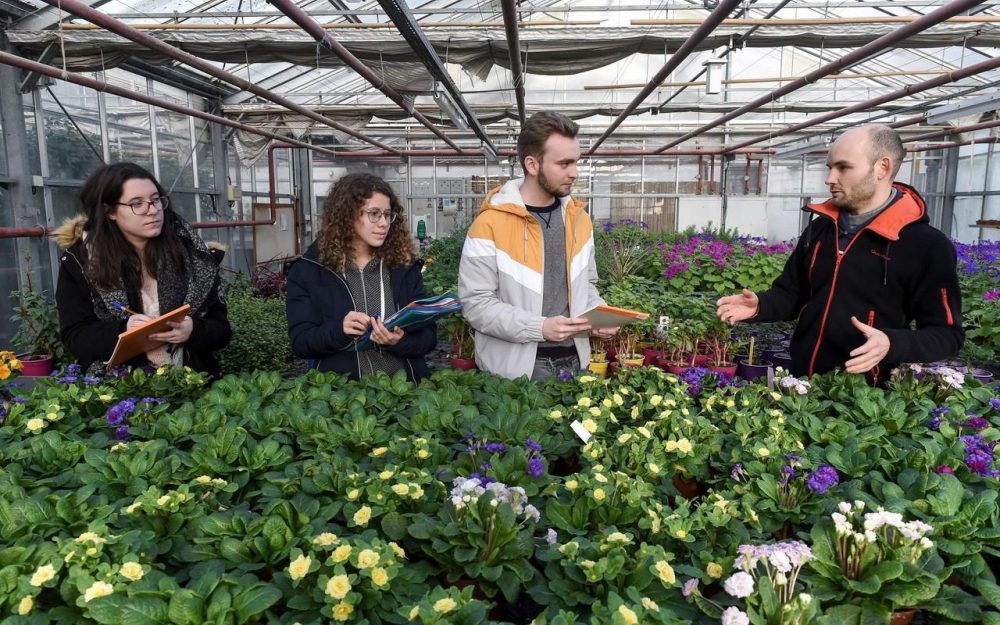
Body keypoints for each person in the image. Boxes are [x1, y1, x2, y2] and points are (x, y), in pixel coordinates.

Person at [716, 124, 963, 385]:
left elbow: (947, 334)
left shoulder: (925, 245)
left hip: (866, 398)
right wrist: (761, 306)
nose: (830, 178)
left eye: (843, 167)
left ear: (882, 168)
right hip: (802, 385)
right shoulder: (822, 228)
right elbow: (792, 294)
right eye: (830, 167)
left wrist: (892, 343)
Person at [458, 111, 615, 380]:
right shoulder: (489, 225)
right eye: (564, 164)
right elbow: (476, 305)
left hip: (577, 362)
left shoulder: (579, 221)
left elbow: (586, 285)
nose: (574, 173)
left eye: (576, 162)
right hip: (515, 372)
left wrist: (599, 316)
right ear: (532, 164)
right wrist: (539, 328)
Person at [54, 162, 232, 376]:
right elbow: (76, 336)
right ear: (109, 211)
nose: (153, 211)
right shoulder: (80, 262)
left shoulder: (193, 255)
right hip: (119, 388)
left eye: (156, 200)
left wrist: (193, 330)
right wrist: (123, 331)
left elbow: (222, 330)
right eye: (137, 204)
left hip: (193, 381)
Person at [286, 173, 435, 382]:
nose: (383, 223)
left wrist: (398, 342)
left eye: (387, 214)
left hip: (405, 393)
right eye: (374, 214)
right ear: (348, 215)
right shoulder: (310, 271)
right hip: (345, 400)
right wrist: (339, 330)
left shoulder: (404, 267)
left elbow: (429, 337)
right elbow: (301, 343)